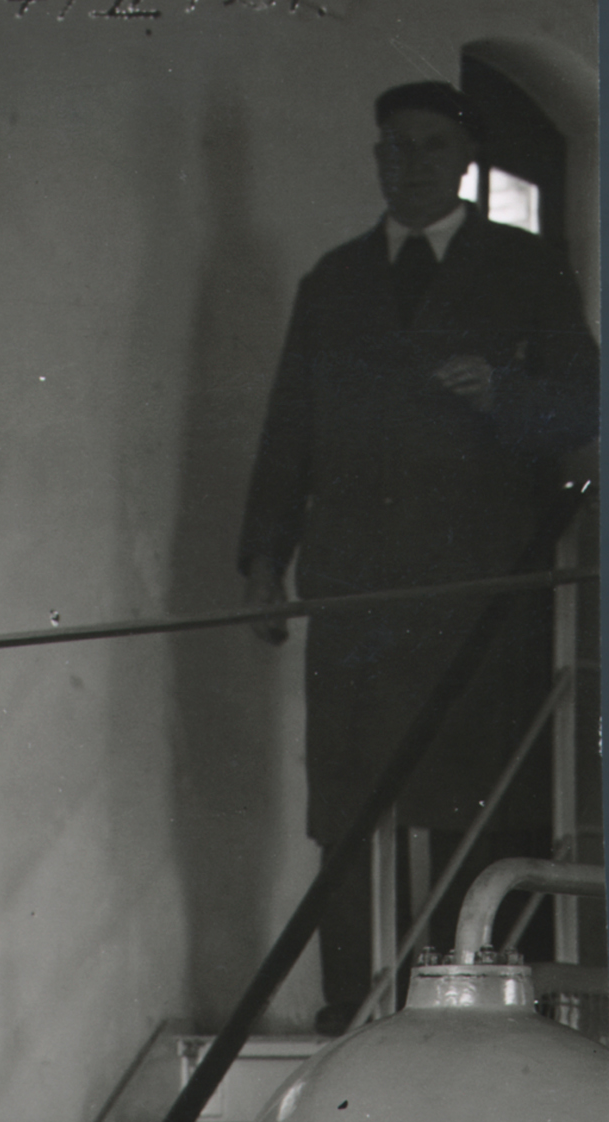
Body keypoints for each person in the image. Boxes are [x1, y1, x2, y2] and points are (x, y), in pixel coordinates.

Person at [236, 80, 597, 1032]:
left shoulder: (524, 269)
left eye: (433, 145)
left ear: (465, 160)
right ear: (376, 158)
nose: (412, 163)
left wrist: (503, 391)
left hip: (478, 585)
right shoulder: (334, 283)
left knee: (478, 796)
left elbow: (581, 406)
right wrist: (263, 560)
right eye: (396, 146)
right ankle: (351, 1007)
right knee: (348, 801)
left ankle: (473, 1013)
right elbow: (288, 432)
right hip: (357, 590)